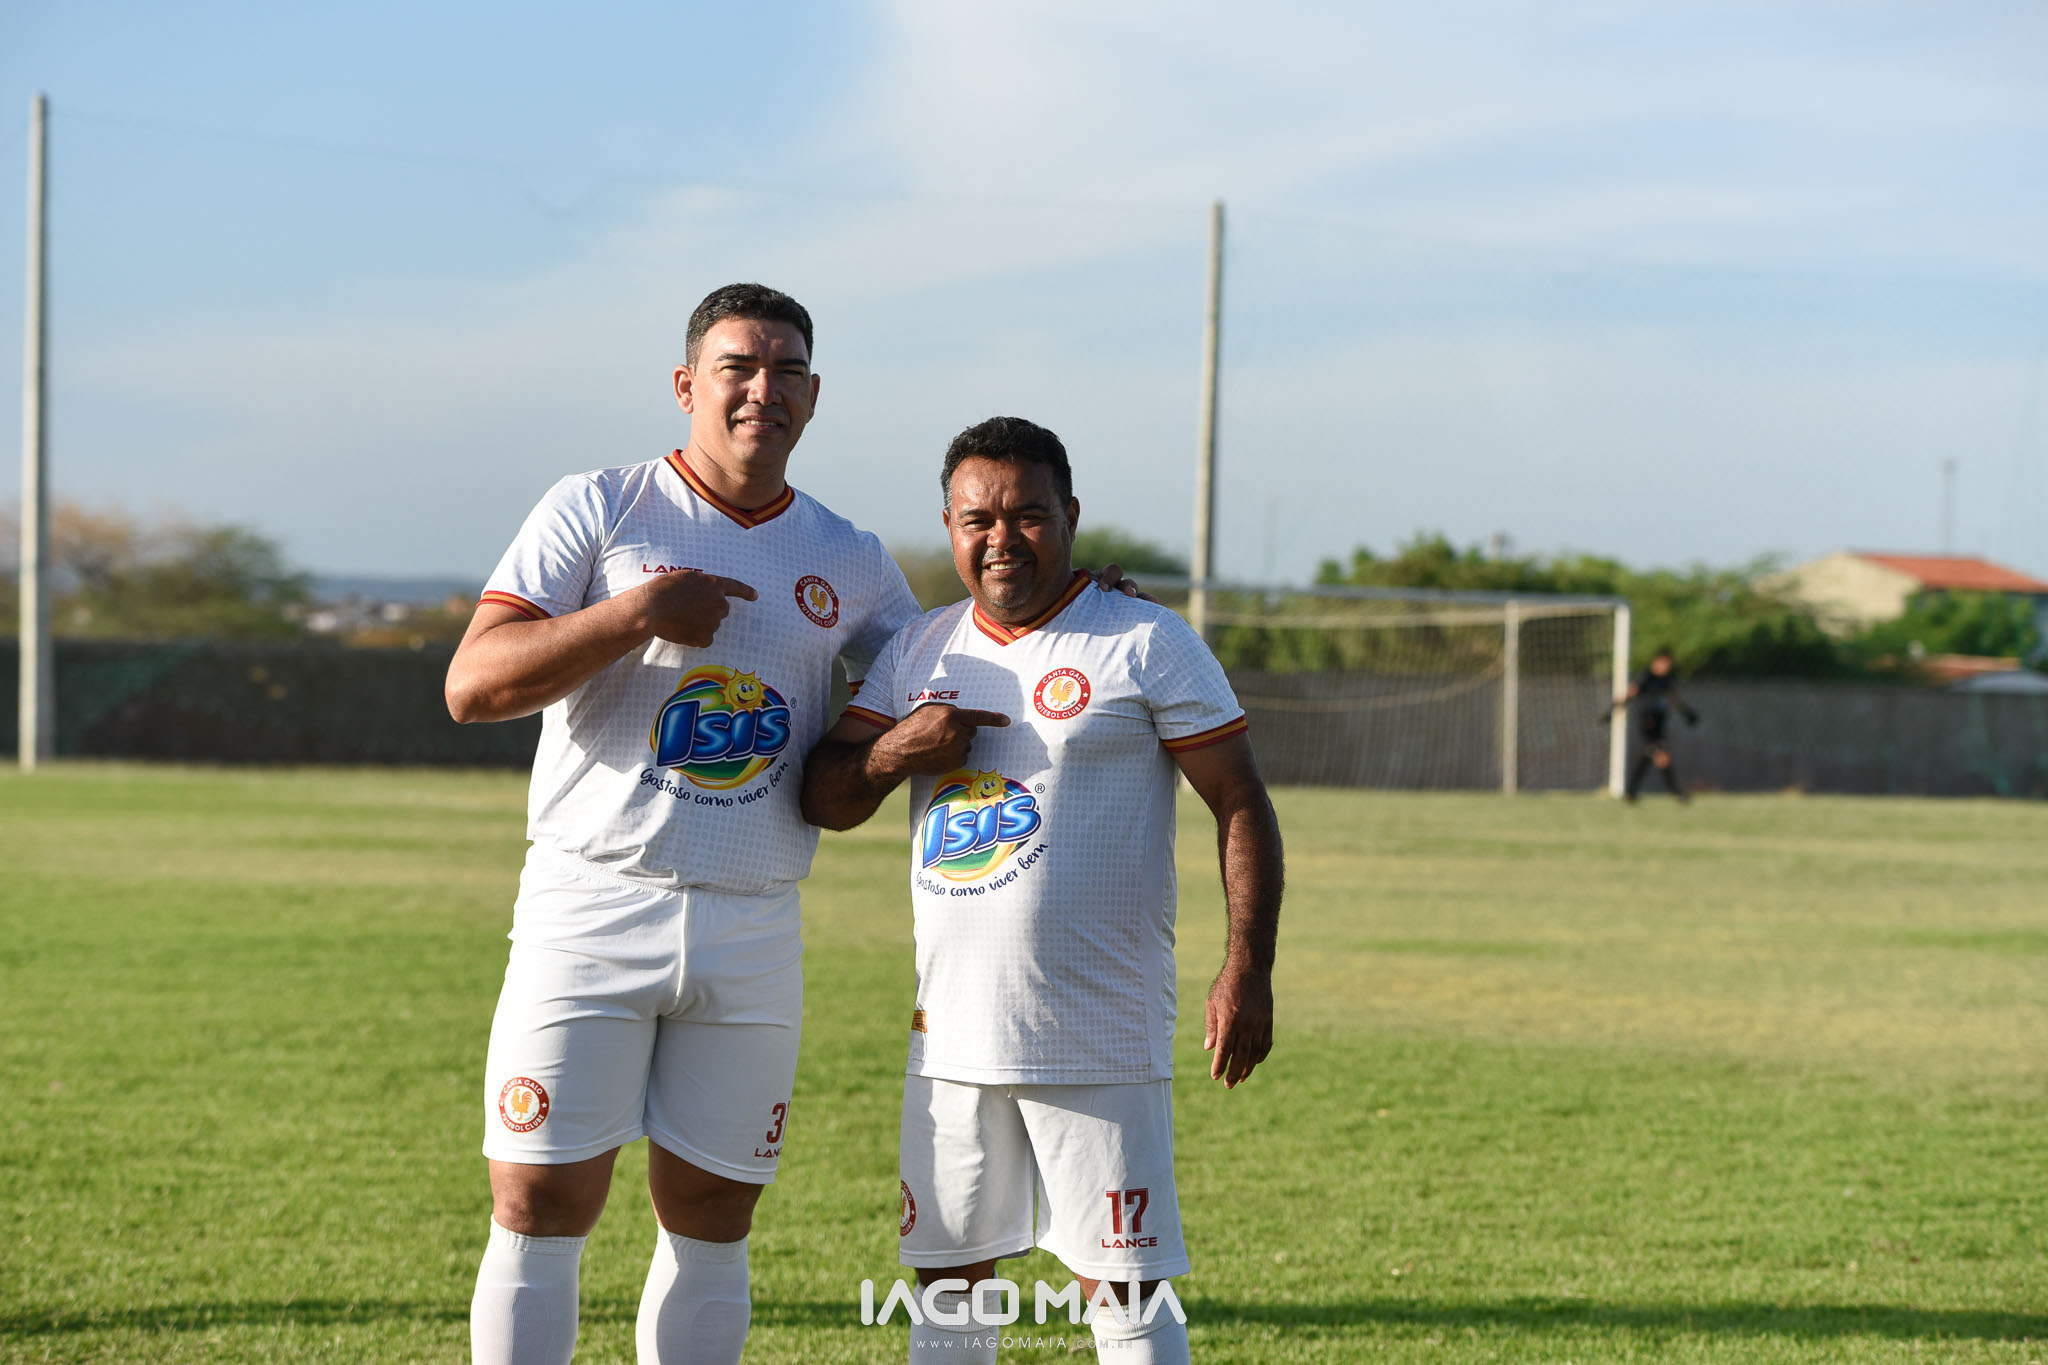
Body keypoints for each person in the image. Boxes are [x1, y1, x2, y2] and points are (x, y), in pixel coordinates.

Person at [446, 287, 1142, 1365]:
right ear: (688, 384)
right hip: (591, 902)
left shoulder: (847, 555)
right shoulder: (600, 506)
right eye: (738, 366)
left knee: (714, 1214)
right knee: (539, 1202)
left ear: (812, 398)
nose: (761, 389)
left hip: (754, 919)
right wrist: (634, 613)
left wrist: (1073, 604)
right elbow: (473, 686)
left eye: (786, 371)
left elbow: (958, 654)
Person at [800, 416, 1285, 1365]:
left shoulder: (1143, 638)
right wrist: (899, 749)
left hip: (1097, 1028)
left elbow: (1240, 797)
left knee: (1125, 1290)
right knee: (947, 1292)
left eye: (1027, 515)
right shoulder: (919, 650)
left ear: (1070, 517)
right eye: (977, 518)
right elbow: (824, 796)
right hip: (950, 1038)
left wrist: (1248, 966)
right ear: (949, 526)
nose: (1002, 538)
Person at [1616, 646, 1698, 801]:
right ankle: (1676, 792)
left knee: (1649, 754)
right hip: (1648, 722)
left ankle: (1631, 791)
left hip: (1660, 722)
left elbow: (1673, 696)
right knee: (1661, 754)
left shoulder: (1667, 679)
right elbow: (1632, 692)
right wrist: (1614, 708)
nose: (1667, 667)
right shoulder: (1647, 676)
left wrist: (1686, 712)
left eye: (1669, 664)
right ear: (1658, 661)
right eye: (1665, 663)